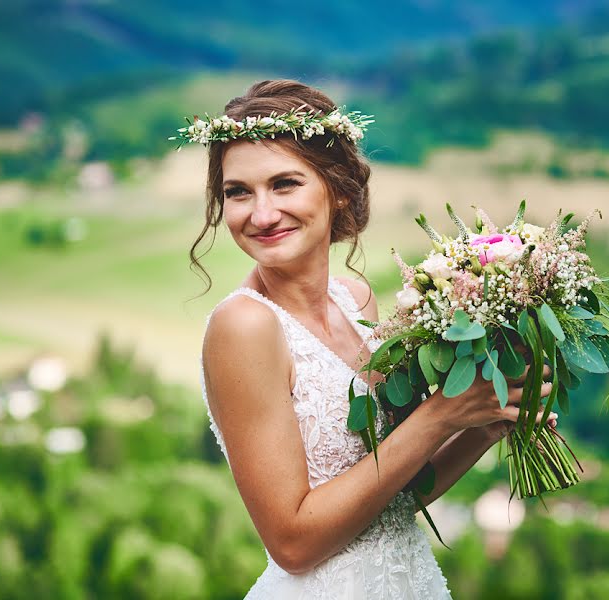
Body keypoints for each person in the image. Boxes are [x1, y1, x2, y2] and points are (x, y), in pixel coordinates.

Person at [189, 79, 558, 599]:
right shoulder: (244, 327)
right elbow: (292, 544)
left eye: (285, 184)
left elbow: (398, 493)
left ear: (338, 189)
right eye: (238, 192)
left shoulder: (355, 299)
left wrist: (487, 420)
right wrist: (443, 414)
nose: (262, 213)